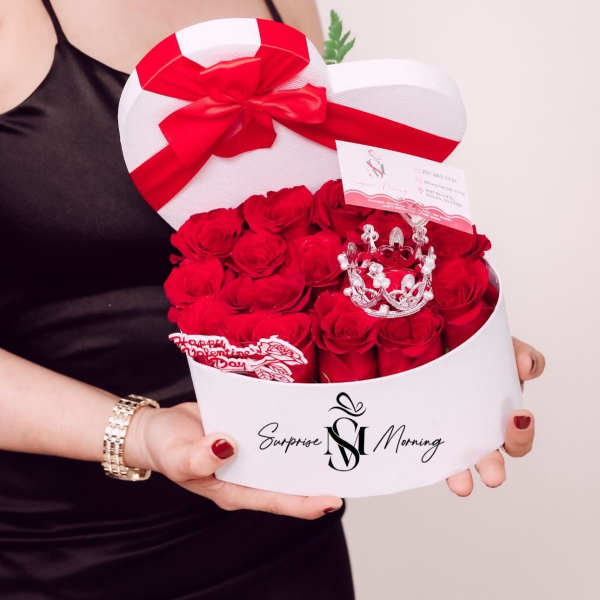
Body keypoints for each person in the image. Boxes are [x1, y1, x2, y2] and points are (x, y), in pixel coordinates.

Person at [0, 1, 545, 598]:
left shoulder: (285, 5)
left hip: (288, 520)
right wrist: (141, 434)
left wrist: (436, 346)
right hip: (63, 554)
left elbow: (322, 236)